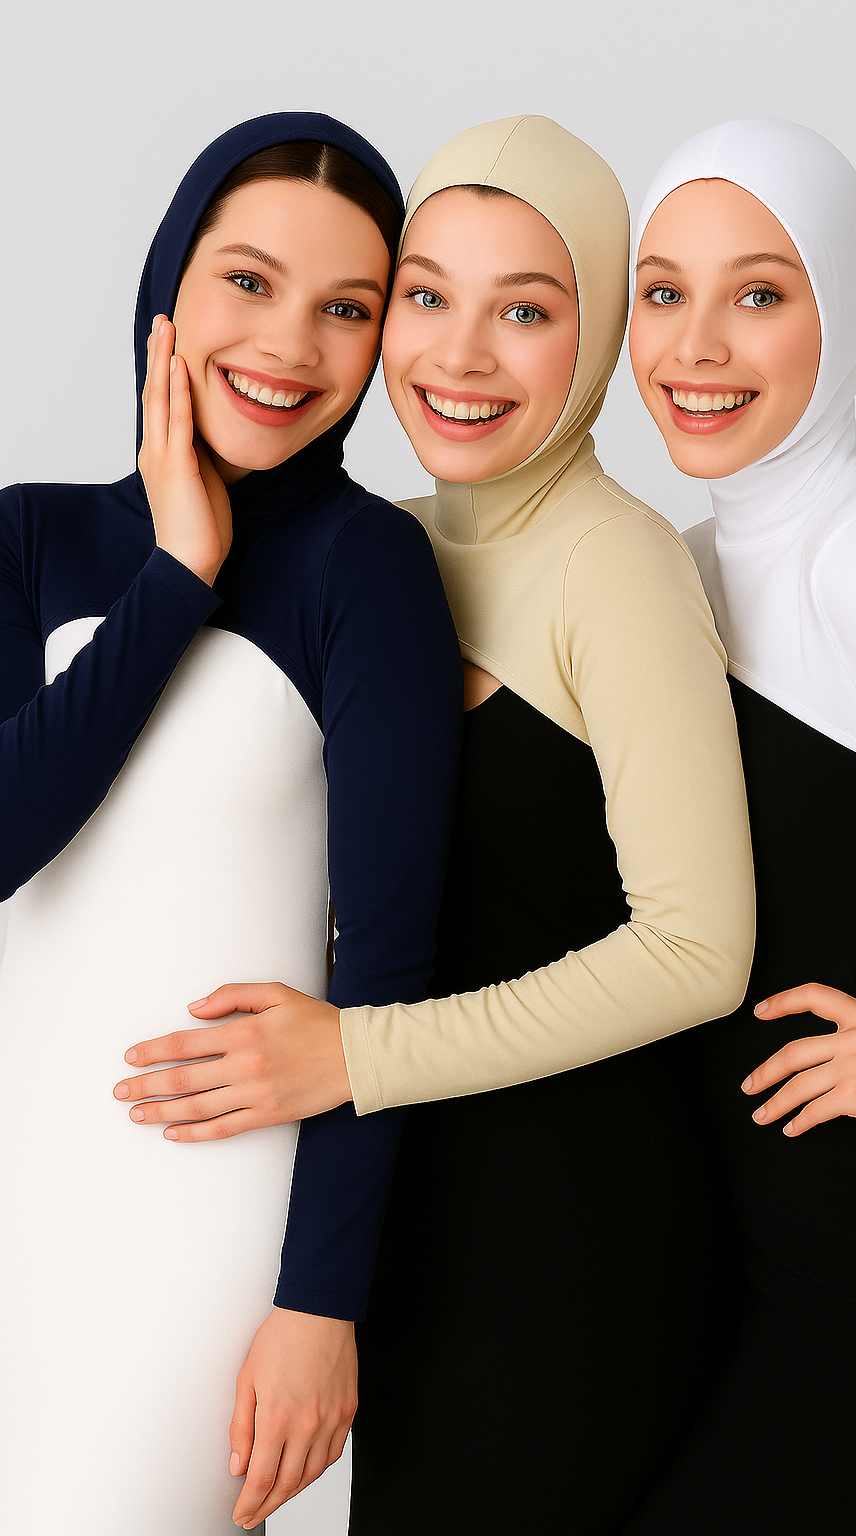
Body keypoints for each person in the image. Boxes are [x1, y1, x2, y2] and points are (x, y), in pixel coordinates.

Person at [116, 115, 756, 1535]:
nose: (459, 356)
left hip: (575, 1233)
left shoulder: (616, 564)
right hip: (415, 1222)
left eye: (524, 311)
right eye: (424, 296)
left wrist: (356, 1052)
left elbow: (700, 949)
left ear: (596, 335)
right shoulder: (377, 547)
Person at [0, 112, 462, 1534]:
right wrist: (178, 571)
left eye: (347, 309)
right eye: (249, 283)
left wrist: (321, 1303)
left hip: (193, 1233)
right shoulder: (28, 537)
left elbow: (390, 966)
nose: (288, 346)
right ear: (169, 288)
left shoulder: (367, 567)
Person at [624, 116, 856, 1535]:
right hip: (735, 1251)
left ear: (838, 312)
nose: (697, 346)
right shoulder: (688, 561)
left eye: (759, 293)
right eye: (663, 292)